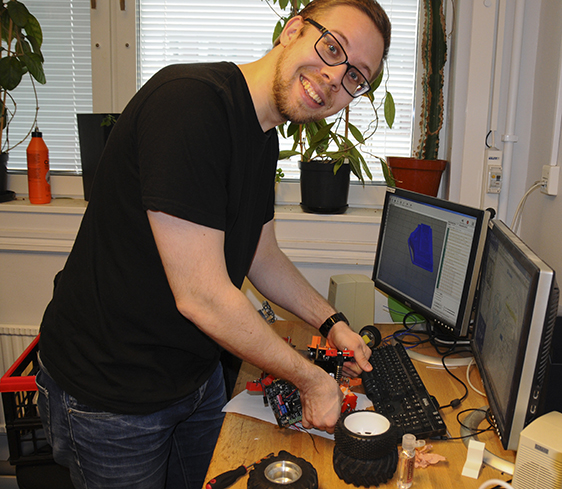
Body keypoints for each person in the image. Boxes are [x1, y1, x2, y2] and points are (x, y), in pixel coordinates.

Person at [36, 0, 391, 487]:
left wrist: (332, 323)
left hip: (194, 378)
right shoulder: (191, 105)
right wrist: (311, 378)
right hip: (112, 395)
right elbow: (202, 295)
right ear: (291, 31)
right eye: (333, 48)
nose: (335, 77)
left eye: (356, 76)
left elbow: (261, 255)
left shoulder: (262, 132)